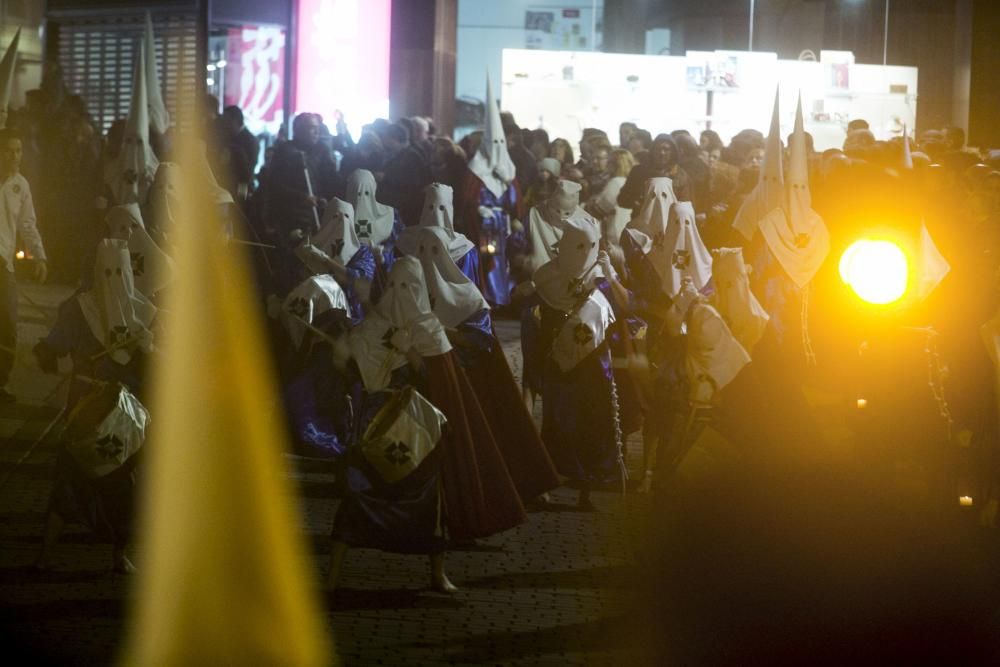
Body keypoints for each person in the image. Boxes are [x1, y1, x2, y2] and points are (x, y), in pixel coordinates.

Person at [409, 218, 560, 505]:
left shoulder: (467, 295)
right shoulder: (408, 286)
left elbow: (481, 339)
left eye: (434, 249)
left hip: (468, 379)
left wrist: (442, 331)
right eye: (422, 249)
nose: (427, 256)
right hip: (424, 377)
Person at [33, 238, 155, 573]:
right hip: (86, 406)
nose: (113, 278)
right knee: (70, 475)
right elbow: (53, 347)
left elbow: (154, 368)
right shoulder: (77, 308)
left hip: (128, 412)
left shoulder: (141, 310)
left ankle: (121, 553)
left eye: (121, 271)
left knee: (127, 482)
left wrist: (150, 347)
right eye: (107, 271)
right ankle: (45, 553)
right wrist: (50, 357)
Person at [522, 210, 640, 509]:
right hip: (559, 369)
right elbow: (535, 318)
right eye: (577, 246)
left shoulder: (602, 281)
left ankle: (586, 489)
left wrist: (611, 275)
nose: (584, 254)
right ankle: (544, 484)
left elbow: (627, 309)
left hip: (594, 369)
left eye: (589, 247)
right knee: (558, 425)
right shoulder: (547, 279)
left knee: (591, 426)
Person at [459, 77, 520, 308]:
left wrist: (506, 183)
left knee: (503, 262)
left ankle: (503, 297)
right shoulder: (476, 170)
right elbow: (467, 198)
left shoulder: (509, 169)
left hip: (502, 223)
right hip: (482, 224)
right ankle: (486, 296)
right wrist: (479, 208)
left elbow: (515, 200)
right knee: (486, 260)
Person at [0, 128, 47, 402]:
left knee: (7, 322)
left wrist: (39, 256)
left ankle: (2, 382)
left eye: (18, 150)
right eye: (9, 150)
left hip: (4, 263)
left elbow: (27, 223)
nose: (15, 156)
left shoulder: (21, 185)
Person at [294, 197, 376, 321]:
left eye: (346, 217)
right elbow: (300, 277)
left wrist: (325, 259)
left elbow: (359, 280)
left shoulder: (363, 251)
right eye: (335, 218)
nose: (341, 223)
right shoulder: (313, 243)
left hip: (351, 312)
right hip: (316, 309)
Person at [397, 182, 482, 289]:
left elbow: (466, 290)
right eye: (431, 207)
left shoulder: (463, 248)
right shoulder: (406, 240)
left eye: (442, 208)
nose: (436, 215)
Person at [617, 133, 692, 216]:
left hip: (669, 225)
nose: (662, 152)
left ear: (673, 152)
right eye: (658, 149)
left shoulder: (681, 176)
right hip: (641, 223)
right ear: (652, 151)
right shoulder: (638, 172)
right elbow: (622, 200)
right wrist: (637, 201)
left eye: (666, 149)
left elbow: (686, 208)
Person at [378, 122, 432, 227]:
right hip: (397, 208)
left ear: (394, 138)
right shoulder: (398, 153)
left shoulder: (412, 156)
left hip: (406, 210)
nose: (383, 140)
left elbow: (414, 182)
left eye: (386, 137)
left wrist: (386, 177)